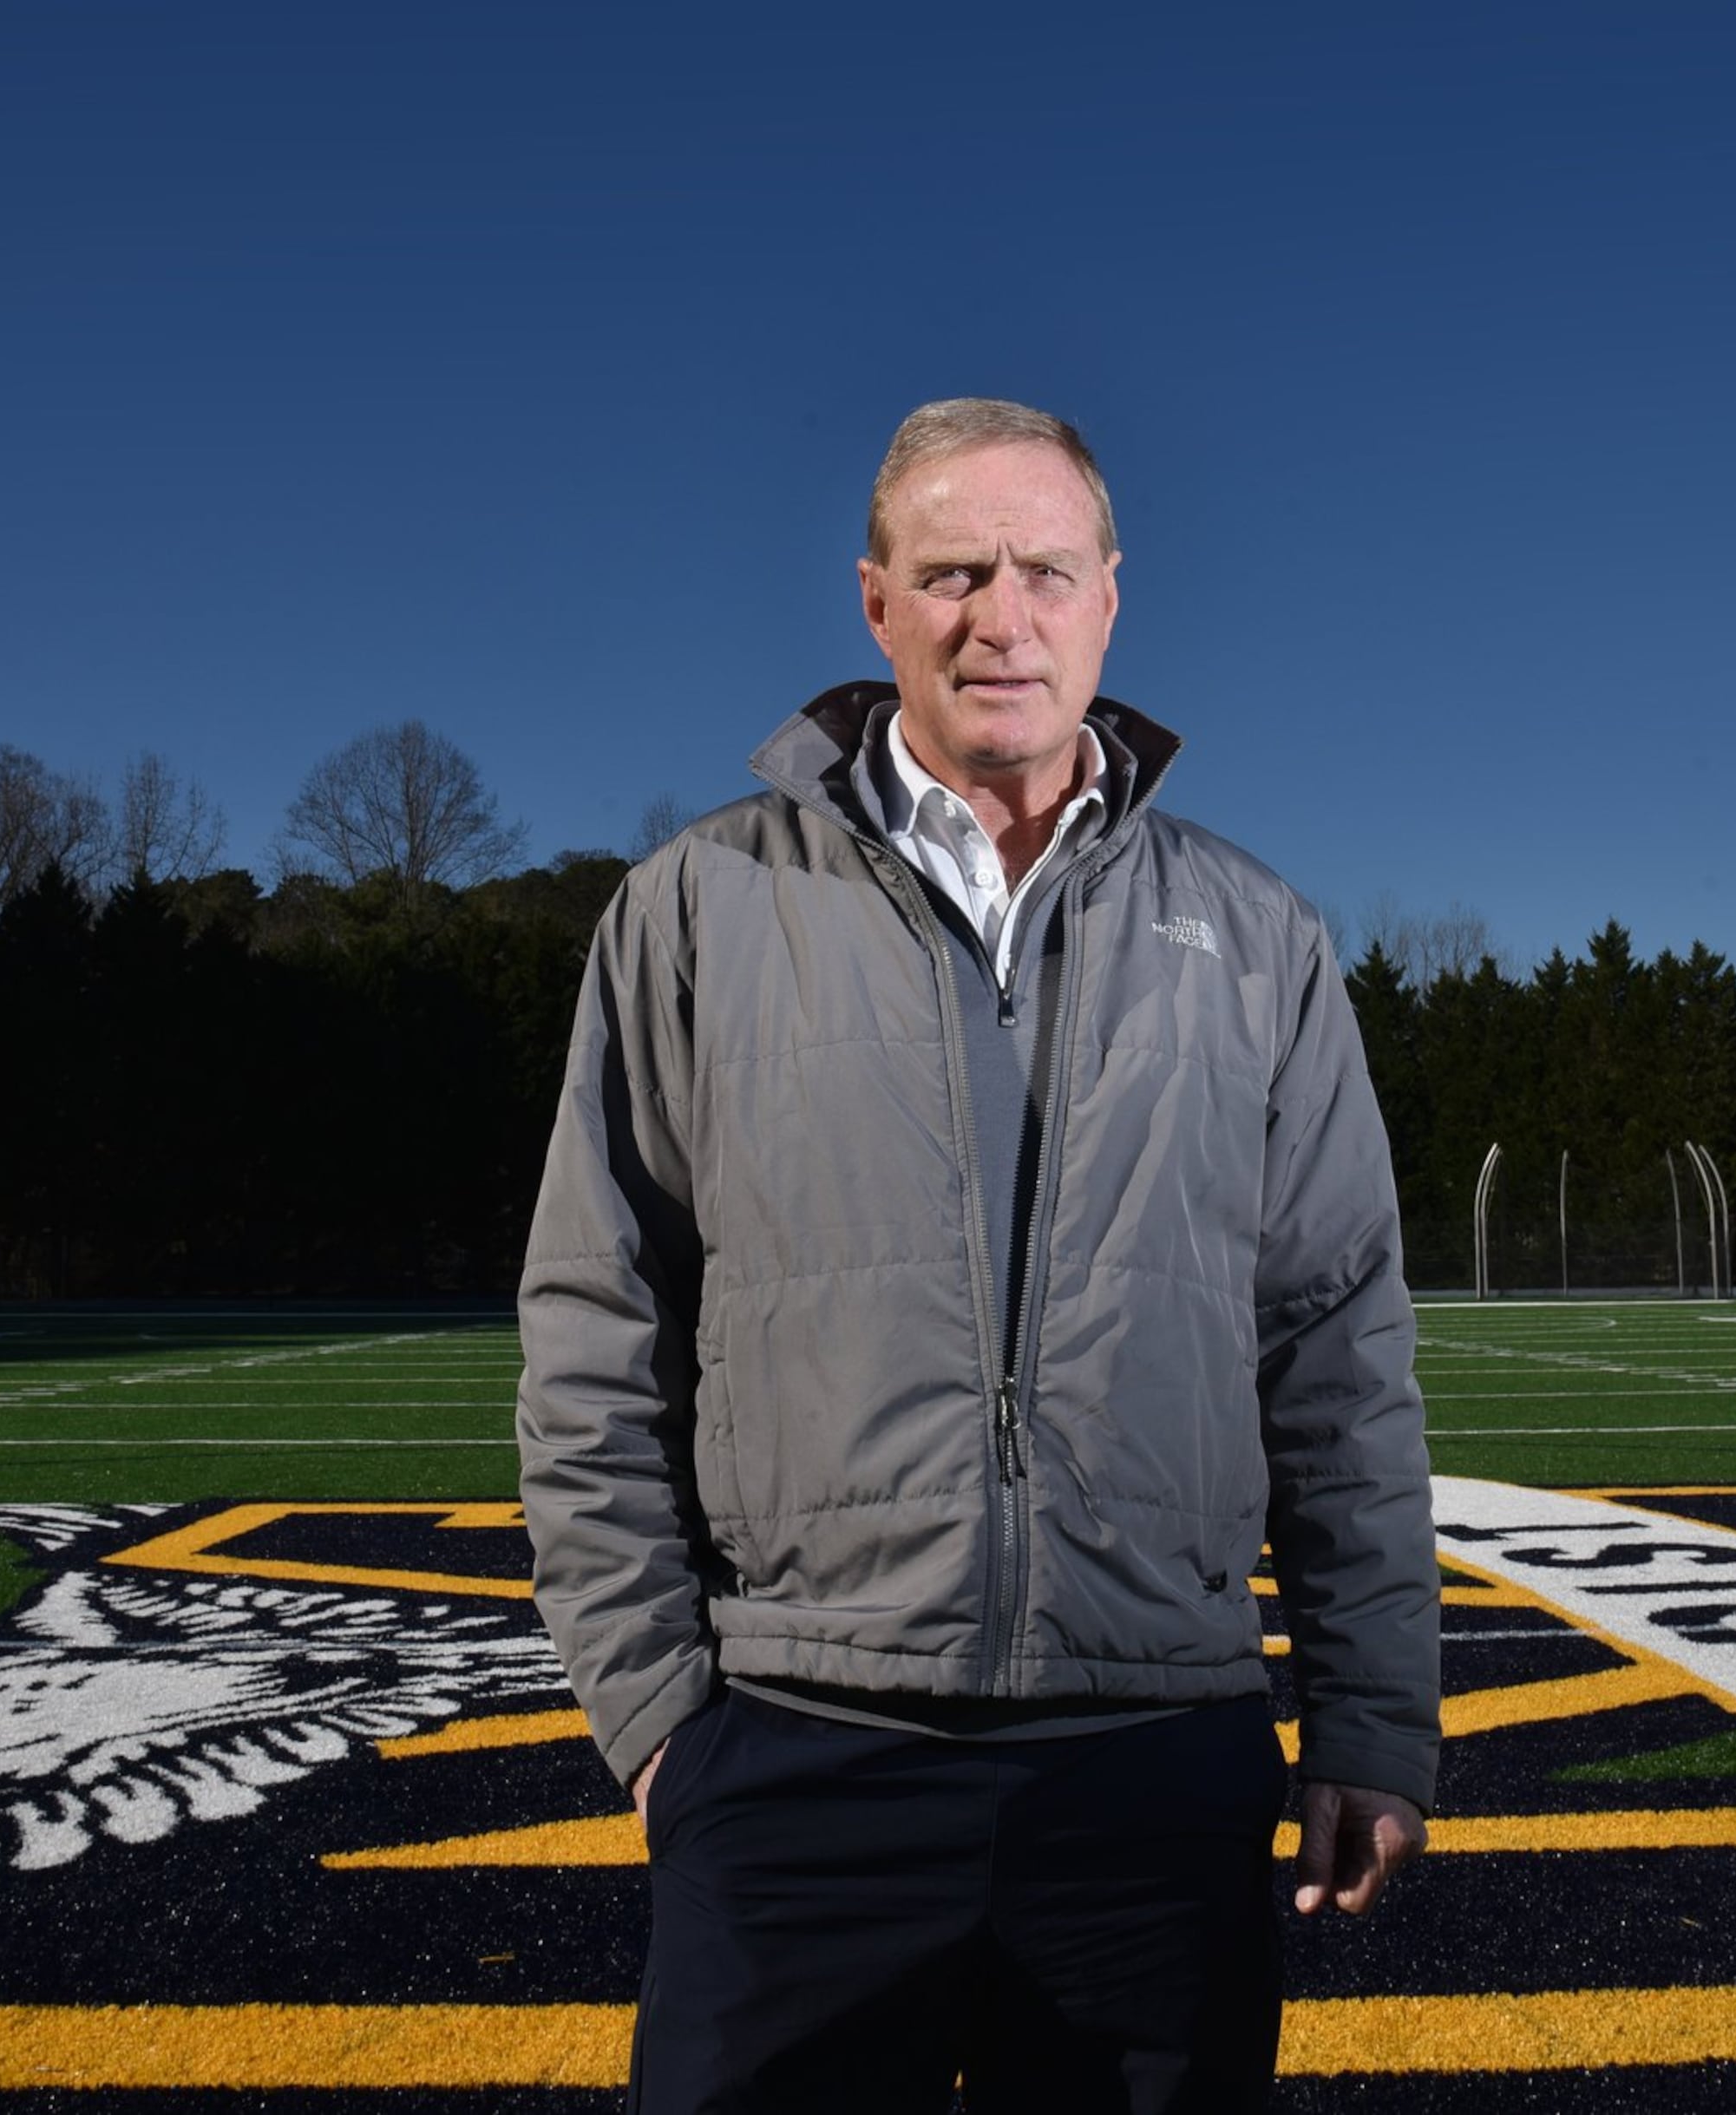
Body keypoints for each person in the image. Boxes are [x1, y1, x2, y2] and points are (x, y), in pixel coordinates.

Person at [517, 397, 1438, 2112]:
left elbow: (1336, 1355)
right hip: (802, 1749)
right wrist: (657, 1714)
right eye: (951, 572)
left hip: (1153, 1764)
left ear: (1109, 600)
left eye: (1042, 571)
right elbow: (596, 1323)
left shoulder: (1253, 938)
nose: (996, 617)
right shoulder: (700, 907)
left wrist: (1374, 1718)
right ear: (877, 603)